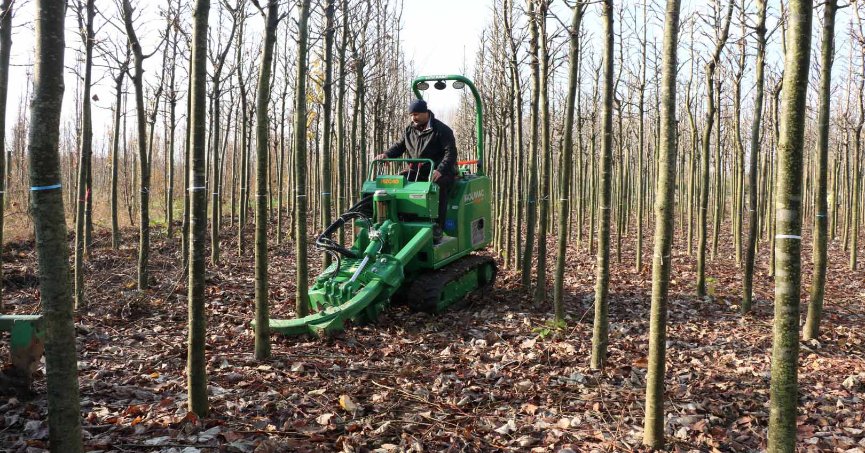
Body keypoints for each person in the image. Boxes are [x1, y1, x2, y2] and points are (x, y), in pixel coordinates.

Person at [376, 99, 457, 233]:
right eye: (412, 115)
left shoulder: (441, 130)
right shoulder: (409, 130)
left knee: (437, 187)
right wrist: (387, 155)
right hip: (416, 170)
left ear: (426, 112)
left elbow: (451, 153)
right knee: (399, 183)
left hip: (438, 171)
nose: (414, 117)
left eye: (417, 114)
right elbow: (399, 146)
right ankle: (404, 220)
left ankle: (437, 226)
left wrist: (440, 170)